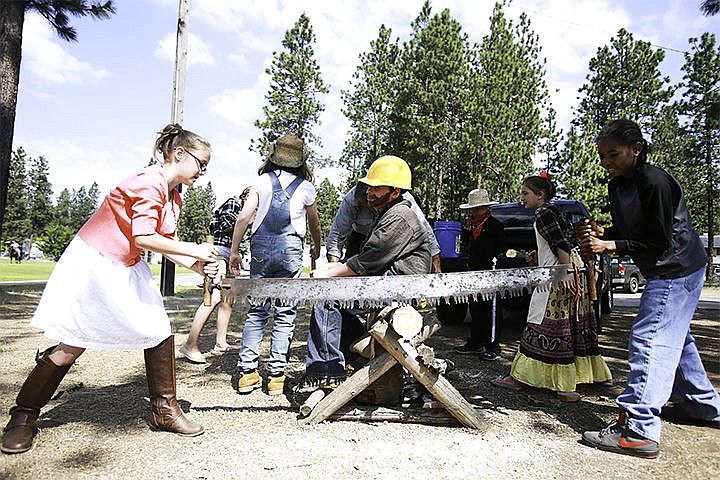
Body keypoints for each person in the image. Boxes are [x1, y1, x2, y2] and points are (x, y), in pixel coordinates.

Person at [1, 124, 217, 455]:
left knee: (158, 330)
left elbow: (164, 243)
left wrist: (197, 265)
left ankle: (163, 410)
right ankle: (24, 414)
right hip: (97, 263)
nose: (204, 171)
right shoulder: (149, 182)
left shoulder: (174, 195)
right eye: (201, 163)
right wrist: (196, 250)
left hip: (126, 264)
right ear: (178, 154)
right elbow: (143, 236)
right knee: (72, 345)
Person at [578, 119, 720, 459]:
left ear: (636, 150)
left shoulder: (655, 181)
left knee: (651, 340)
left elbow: (658, 240)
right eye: (602, 156)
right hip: (665, 267)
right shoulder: (617, 187)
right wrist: (603, 231)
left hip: (675, 269)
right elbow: (631, 229)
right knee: (677, 341)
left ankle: (638, 429)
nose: (606, 163)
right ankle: (702, 407)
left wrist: (609, 246)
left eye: (613, 154)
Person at [297, 155, 432, 390]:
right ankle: (352, 355)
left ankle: (326, 370)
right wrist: (330, 267)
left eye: (378, 187)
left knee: (327, 297)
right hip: (388, 281)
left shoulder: (400, 216)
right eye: (370, 186)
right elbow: (365, 256)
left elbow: (368, 262)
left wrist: (328, 274)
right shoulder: (389, 212)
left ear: (395, 191)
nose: (370, 192)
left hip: (398, 286)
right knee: (335, 294)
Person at [491, 172, 612, 402]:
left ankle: (528, 379)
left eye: (525, 194)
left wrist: (563, 269)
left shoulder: (543, 213)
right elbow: (558, 242)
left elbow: (561, 243)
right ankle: (596, 376)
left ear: (540, 195)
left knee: (540, 322)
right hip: (568, 270)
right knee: (573, 324)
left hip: (557, 276)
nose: (522, 198)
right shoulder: (557, 211)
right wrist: (539, 256)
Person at [229, 134, 321, 396]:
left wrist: (235, 251)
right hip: (290, 250)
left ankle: (247, 373)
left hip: (260, 249)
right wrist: (316, 246)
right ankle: (276, 377)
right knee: (285, 313)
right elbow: (314, 223)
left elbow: (244, 217)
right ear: (300, 161)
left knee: (257, 311)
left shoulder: (261, 182)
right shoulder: (306, 187)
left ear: (274, 157)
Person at [178, 187, 253, 364]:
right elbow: (227, 226)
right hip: (218, 254)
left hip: (229, 255)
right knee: (213, 297)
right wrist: (248, 221)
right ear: (245, 196)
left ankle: (220, 343)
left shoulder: (242, 210)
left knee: (228, 300)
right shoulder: (233, 203)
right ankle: (190, 344)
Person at [326, 181, 442, 272]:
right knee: (350, 275)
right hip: (361, 236)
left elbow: (426, 231)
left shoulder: (403, 199)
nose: (372, 207)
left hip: (392, 239)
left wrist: (436, 267)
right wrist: (333, 268)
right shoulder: (351, 199)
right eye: (365, 205)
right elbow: (338, 232)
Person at [453, 186, 506, 360]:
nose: (475, 211)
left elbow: (501, 251)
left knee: (491, 309)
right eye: (473, 208)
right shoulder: (471, 228)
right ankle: (475, 342)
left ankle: (492, 346)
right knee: (475, 308)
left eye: (477, 208)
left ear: (486, 208)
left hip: (491, 274)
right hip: (474, 273)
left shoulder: (495, 226)